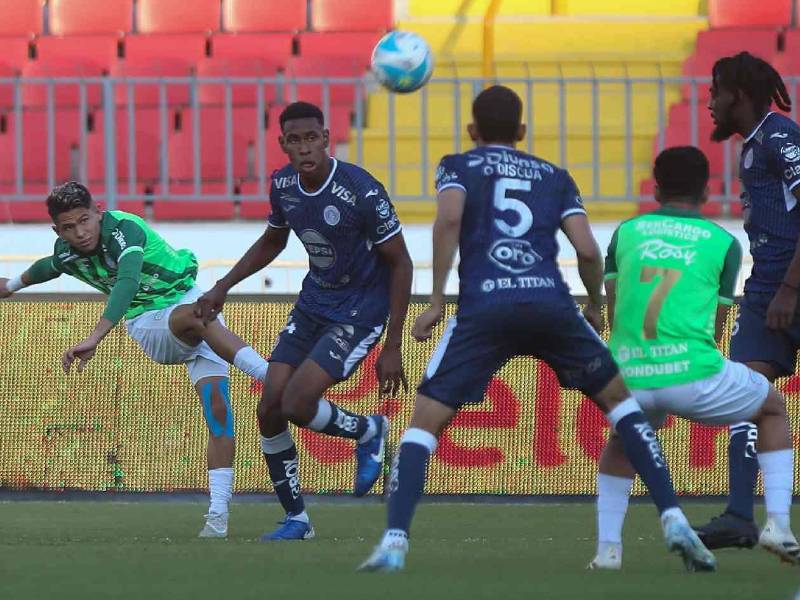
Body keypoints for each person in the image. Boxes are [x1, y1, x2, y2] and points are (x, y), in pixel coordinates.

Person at [358, 85, 715, 573]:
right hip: (551, 305)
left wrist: (438, 298)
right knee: (623, 405)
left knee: (424, 423)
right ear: (522, 131)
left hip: (484, 308)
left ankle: (395, 541)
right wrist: (594, 304)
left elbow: (449, 219)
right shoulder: (554, 176)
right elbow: (587, 250)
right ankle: (673, 517)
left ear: (472, 131)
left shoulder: (457, 165)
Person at [0, 181, 271, 538]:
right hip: (150, 320)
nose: (80, 232)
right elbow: (54, 267)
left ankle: (217, 517)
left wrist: (94, 335)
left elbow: (126, 276)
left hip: (189, 300)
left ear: (98, 211)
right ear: (57, 231)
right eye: (68, 227)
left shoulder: (124, 230)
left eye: (84, 220)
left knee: (218, 413)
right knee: (199, 317)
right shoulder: (68, 253)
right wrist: (12, 285)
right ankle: (273, 377)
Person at [197, 101, 413, 541]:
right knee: (269, 409)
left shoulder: (362, 190)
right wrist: (223, 286)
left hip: (359, 312)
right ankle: (297, 519)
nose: (304, 147)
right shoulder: (283, 185)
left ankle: (369, 430)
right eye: (294, 140)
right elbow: (272, 240)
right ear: (283, 145)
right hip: (314, 304)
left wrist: (393, 345)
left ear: (326, 138)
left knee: (297, 403)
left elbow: (401, 263)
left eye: (311, 138)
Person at [591, 146, 798, 569]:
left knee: (621, 443)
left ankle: (608, 550)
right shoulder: (724, 243)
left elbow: (615, 309)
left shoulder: (626, 232)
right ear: (706, 191)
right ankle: (778, 523)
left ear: (655, 187)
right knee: (772, 408)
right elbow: (716, 328)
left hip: (628, 375)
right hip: (692, 376)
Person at [695, 51, 800, 549]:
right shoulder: (756, 144)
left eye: (715, 92)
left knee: (748, 393)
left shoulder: (780, 139)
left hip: (788, 288)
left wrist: (790, 290)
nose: (709, 102)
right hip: (765, 291)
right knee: (745, 393)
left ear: (737, 95)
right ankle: (740, 515)